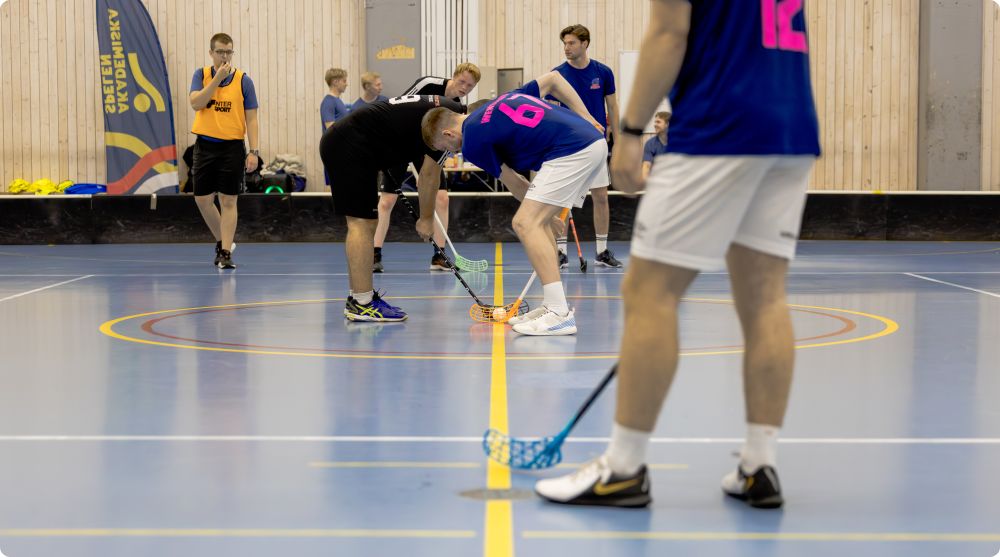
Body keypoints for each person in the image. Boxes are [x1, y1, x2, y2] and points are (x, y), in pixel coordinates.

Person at [533, 0, 821, 508]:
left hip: (718, 120)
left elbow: (669, 33)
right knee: (765, 299)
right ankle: (759, 464)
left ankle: (623, 468)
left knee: (651, 293)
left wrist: (629, 133)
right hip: (790, 123)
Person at [422, 72, 606, 336]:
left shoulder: (472, 142)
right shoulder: (500, 101)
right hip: (589, 141)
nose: (452, 153)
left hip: (572, 150)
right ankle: (552, 304)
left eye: (446, 148)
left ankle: (559, 314)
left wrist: (539, 214)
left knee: (524, 222)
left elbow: (515, 182)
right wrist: (587, 117)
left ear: (448, 133)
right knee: (537, 223)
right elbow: (554, 79)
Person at [319, 93, 466, 322]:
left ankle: (360, 297)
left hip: (358, 145)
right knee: (361, 223)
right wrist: (426, 218)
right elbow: (428, 176)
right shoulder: (444, 124)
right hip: (348, 144)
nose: (454, 152)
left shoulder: (446, 113)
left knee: (367, 223)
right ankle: (362, 304)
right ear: (450, 134)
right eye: (456, 148)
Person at [373, 63, 482, 272]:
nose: (464, 88)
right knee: (387, 200)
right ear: (454, 76)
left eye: (470, 86)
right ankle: (374, 254)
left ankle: (439, 256)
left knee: (442, 198)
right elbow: (399, 108)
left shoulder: (456, 108)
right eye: (462, 82)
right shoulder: (428, 84)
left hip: (428, 150)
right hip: (399, 143)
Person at [550, 24, 622, 269]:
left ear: (585, 43)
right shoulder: (557, 75)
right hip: (568, 147)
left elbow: (613, 107)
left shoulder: (603, 72)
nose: (566, 48)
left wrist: (618, 142)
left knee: (601, 197)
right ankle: (561, 252)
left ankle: (602, 251)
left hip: (596, 144)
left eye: (571, 43)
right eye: (564, 43)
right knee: (562, 200)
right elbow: (552, 112)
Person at [188, 32, 260, 270]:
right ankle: (222, 239)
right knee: (202, 199)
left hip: (232, 147)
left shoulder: (243, 81)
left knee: (228, 200)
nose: (225, 56)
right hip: (205, 145)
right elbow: (196, 103)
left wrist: (254, 151)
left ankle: (225, 252)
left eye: (229, 52)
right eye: (220, 52)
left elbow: (252, 119)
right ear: (211, 53)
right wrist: (217, 79)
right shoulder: (201, 75)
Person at [642, 110, 671, 179]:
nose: (655, 125)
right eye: (655, 122)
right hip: (658, 178)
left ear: (667, 124)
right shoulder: (650, 143)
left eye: (658, 122)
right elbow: (646, 166)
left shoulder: (678, 142)